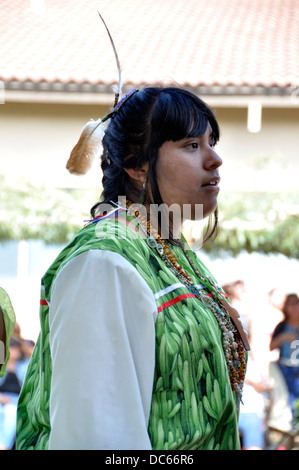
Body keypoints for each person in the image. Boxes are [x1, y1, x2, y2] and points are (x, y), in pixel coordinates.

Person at [16, 86, 249, 450]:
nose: (214, 158)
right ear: (137, 165)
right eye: (191, 145)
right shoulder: (104, 262)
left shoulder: (169, 250)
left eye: (211, 142)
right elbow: (98, 440)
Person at [270, 293, 299, 419]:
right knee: (288, 399)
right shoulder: (282, 326)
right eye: (291, 304)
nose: (294, 307)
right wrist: (283, 338)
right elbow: (271, 346)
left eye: (296, 303)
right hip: (285, 368)